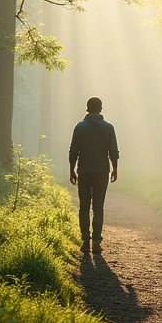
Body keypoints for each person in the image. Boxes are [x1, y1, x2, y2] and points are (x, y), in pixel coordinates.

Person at [68, 96, 119, 253]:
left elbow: (73, 151)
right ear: (101, 109)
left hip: (84, 171)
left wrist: (72, 169)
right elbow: (113, 151)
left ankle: (85, 241)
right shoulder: (108, 128)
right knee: (98, 207)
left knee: (84, 207)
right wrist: (115, 168)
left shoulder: (80, 127)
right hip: (102, 172)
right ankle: (97, 240)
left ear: (87, 109)